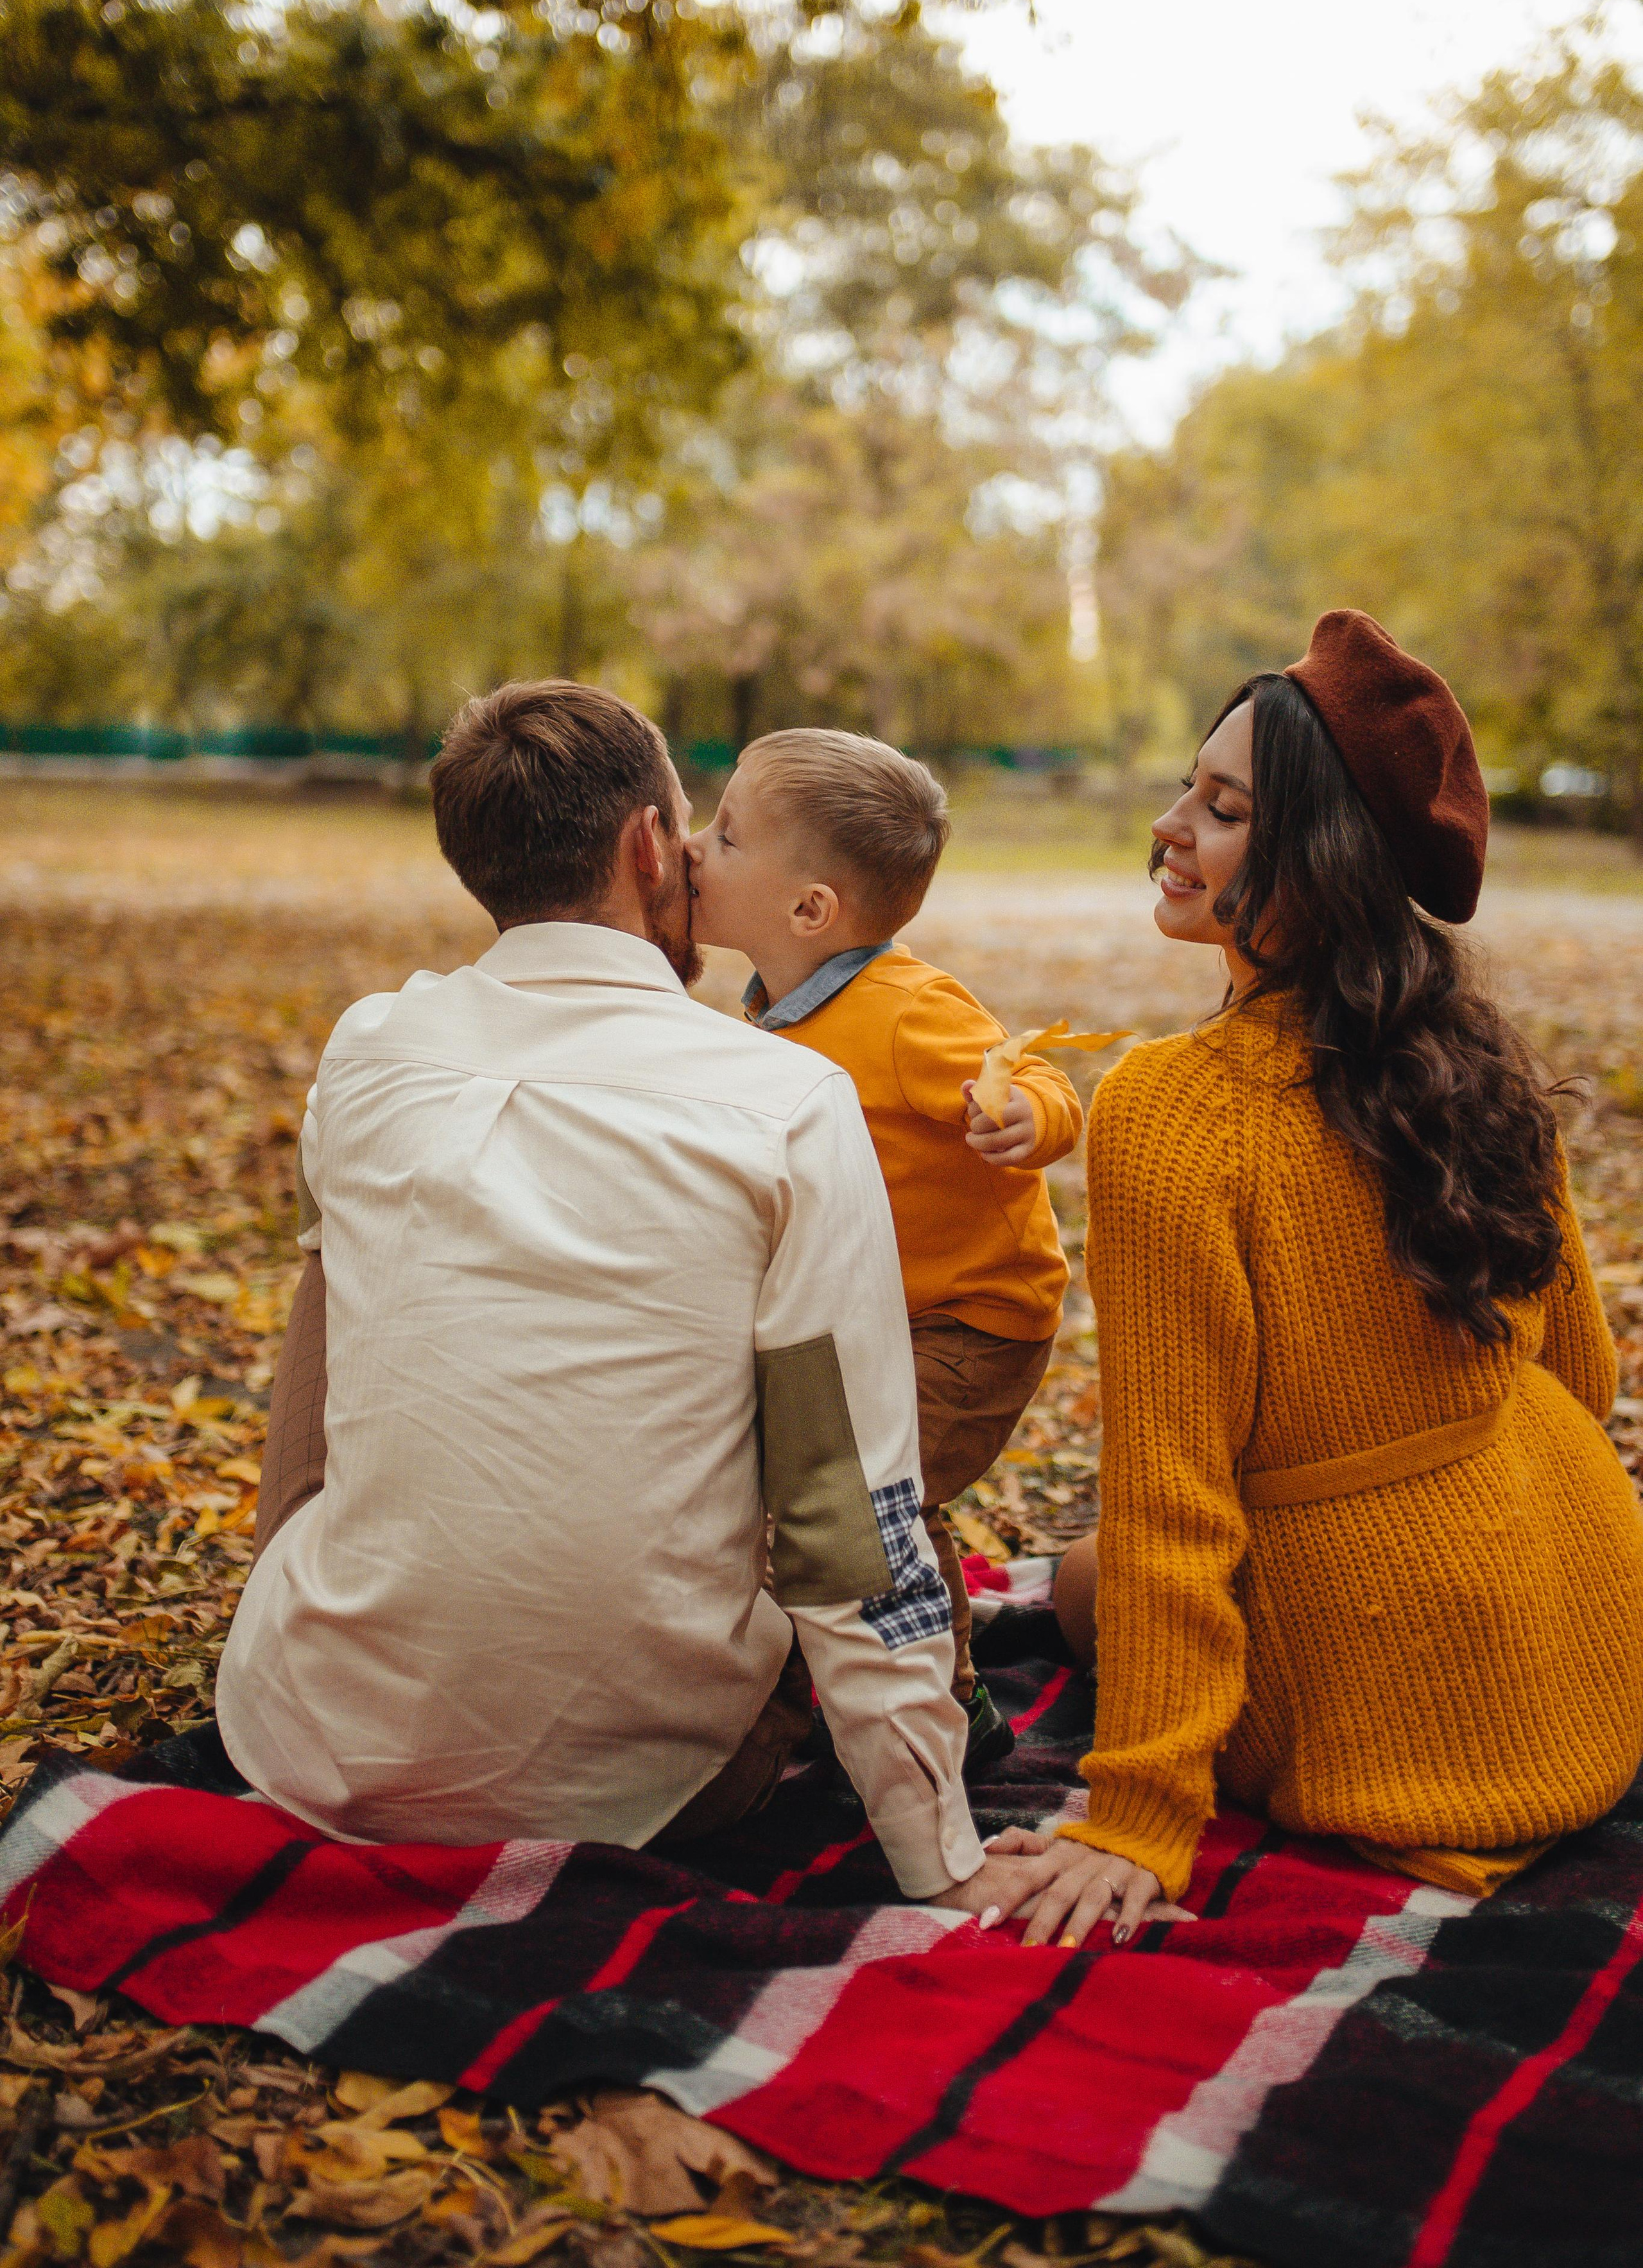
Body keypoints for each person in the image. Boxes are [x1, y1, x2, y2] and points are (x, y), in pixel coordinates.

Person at [215, 680, 1040, 1925]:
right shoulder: (783, 1103)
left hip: (312, 1736)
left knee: (334, 1269)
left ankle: (334, 1607)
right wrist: (938, 1857)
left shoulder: (366, 1052)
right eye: (692, 830)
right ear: (646, 848)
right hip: (658, 1780)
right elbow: (840, 1505)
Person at [999, 609, 1643, 1951]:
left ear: (1316, 855)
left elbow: (1173, 1498)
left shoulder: (1171, 1111)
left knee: (1078, 1580)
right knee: (1096, 1568)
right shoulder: (1478, 1058)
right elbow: (1578, 1381)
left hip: (1374, 1703)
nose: (1170, 825)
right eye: (1188, 787)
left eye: (1220, 806)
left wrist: (1137, 1810)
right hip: (1589, 1640)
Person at [685, 729, 1083, 1774]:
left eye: (724, 836)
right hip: (873, 1316)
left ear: (810, 910)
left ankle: (949, 1722)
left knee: (874, 1499)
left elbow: (1032, 1078)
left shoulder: (908, 1011)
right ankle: (905, 1679)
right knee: (865, 1493)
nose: (692, 847)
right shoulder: (773, 1012)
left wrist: (1025, 1119)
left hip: (969, 1321)